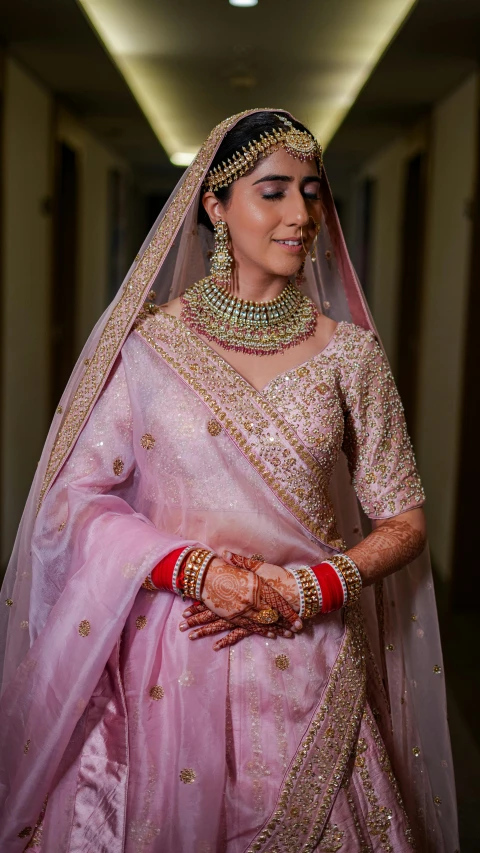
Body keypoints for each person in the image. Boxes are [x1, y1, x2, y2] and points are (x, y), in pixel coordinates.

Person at [0, 109, 458, 853]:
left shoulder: (352, 357)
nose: (301, 213)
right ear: (215, 206)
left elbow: (404, 522)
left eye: (313, 192)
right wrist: (195, 568)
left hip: (310, 655)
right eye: (272, 191)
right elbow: (74, 497)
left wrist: (309, 588)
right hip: (170, 661)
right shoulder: (150, 346)